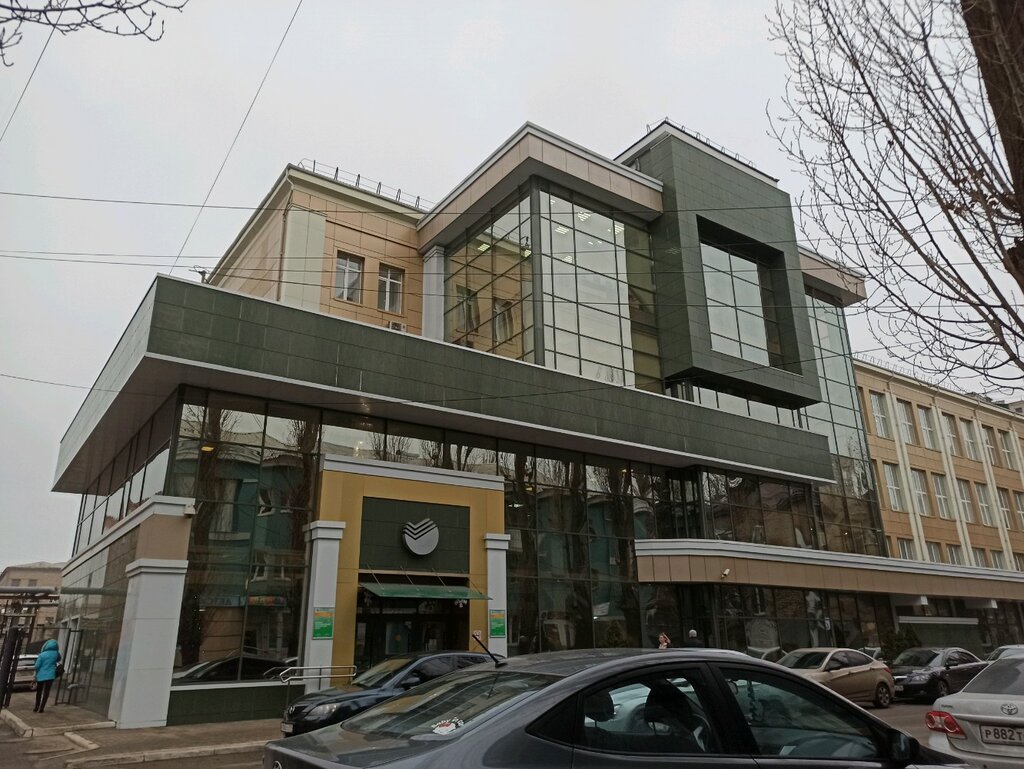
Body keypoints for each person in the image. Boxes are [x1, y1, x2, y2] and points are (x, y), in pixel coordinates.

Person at [33, 638, 61, 713]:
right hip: (50, 675)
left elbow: (37, 666)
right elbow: (59, 659)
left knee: (39, 691)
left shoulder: (42, 655)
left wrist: (36, 674)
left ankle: (36, 706)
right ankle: (42, 708)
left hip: (40, 675)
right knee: (46, 691)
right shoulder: (56, 654)